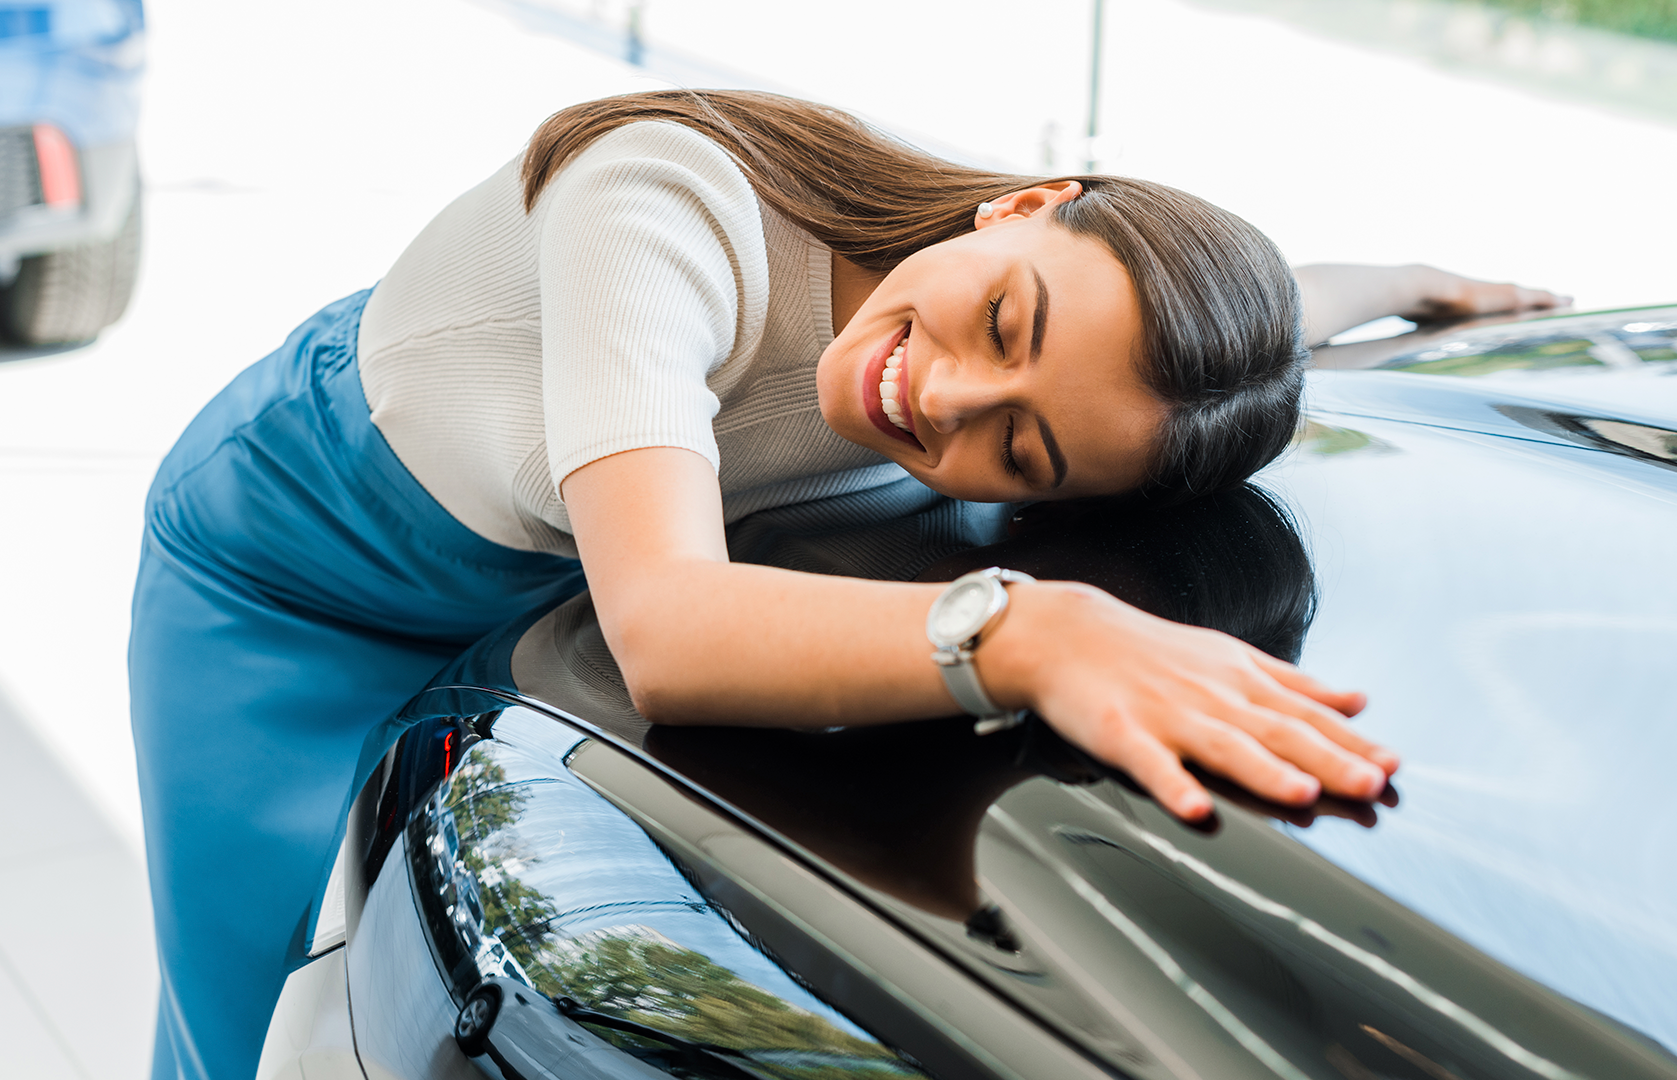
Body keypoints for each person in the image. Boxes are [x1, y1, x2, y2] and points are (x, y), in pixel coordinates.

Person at [128, 88, 1561, 1079]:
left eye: (1024, 450)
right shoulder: (669, 194)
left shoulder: (1087, 329)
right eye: (1000, 319)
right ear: (1027, 203)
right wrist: (1035, 630)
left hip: (564, 573)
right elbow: (669, 631)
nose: (942, 394)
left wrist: (1417, 283)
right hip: (295, 579)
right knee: (245, 1015)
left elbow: (1235, 318)